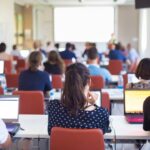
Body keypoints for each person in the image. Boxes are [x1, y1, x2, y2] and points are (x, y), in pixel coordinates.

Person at [48, 63, 109, 135]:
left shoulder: (53, 107)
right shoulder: (101, 114)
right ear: (89, 82)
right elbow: (103, 133)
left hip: (61, 146)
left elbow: (50, 132)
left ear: (66, 82)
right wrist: (93, 105)